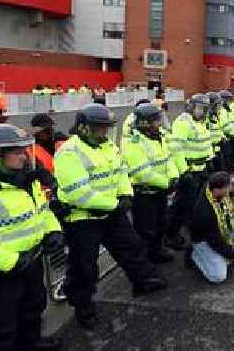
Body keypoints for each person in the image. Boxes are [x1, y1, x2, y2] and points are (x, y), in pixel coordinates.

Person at [54, 103, 166, 329]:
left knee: (132, 247)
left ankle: (143, 281)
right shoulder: (68, 152)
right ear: (84, 128)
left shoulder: (108, 147)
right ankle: (83, 307)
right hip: (83, 218)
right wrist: (116, 204)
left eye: (106, 128)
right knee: (83, 266)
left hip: (111, 211)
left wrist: (126, 193)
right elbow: (79, 194)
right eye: (99, 128)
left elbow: (121, 171)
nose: (104, 132)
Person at [0, 124, 64, 351]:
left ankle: (31, 343)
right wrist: (14, 263)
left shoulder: (26, 181)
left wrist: (53, 231)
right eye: (15, 152)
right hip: (0, 274)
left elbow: (42, 212)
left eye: (24, 150)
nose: (24, 156)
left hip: (30, 263)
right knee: (1, 327)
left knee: (33, 308)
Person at [122, 103, 183, 264]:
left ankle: (157, 251)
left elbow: (168, 159)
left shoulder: (158, 137)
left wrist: (174, 177)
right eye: (156, 120)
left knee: (160, 224)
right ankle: (146, 260)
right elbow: (142, 172)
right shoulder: (134, 142)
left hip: (160, 191)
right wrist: (166, 183)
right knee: (145, 230)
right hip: (144, 194)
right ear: (145, 123)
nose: (160, 123)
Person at [166, 94, 214, 250]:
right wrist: (184, 171)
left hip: (201, 169)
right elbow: (175, 148)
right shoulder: (183, 123)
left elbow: (206, 144)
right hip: (189, 171)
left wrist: (210, 160)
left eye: (205, 109)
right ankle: (170, 235)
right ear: (191, 107)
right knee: (181, 206)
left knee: (197, 203)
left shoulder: (201, 123)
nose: (203, 112)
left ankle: (191, 228)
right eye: (200, 108)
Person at [188, 172, 234, 282]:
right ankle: (196, 254)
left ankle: (223, 253)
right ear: (216, 190)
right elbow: (215, 241)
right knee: (218, 276)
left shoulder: (212, 185)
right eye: (227, 187)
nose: (230, 189)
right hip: (204, 240)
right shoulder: (204, 212)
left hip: (222, 227)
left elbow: (230, 179)